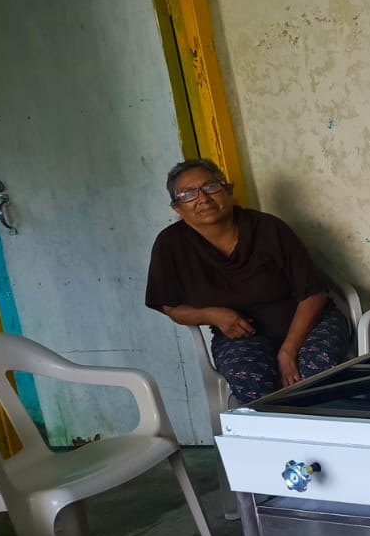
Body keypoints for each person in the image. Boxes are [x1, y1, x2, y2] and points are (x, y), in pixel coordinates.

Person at [145, 160, 349, 403]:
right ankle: (273, 430)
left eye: (210, 187)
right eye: (188, 194)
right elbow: (172, 307)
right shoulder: (171, 244)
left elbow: (314, 294)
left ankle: (328, 428)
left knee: (315, 374)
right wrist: (212, 316)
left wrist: (288, 350)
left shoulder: (268, 228)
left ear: (227, 189)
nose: (203, 199)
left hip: (309, 324)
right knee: (251, 382)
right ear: (177, 207)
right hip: (240, 337)